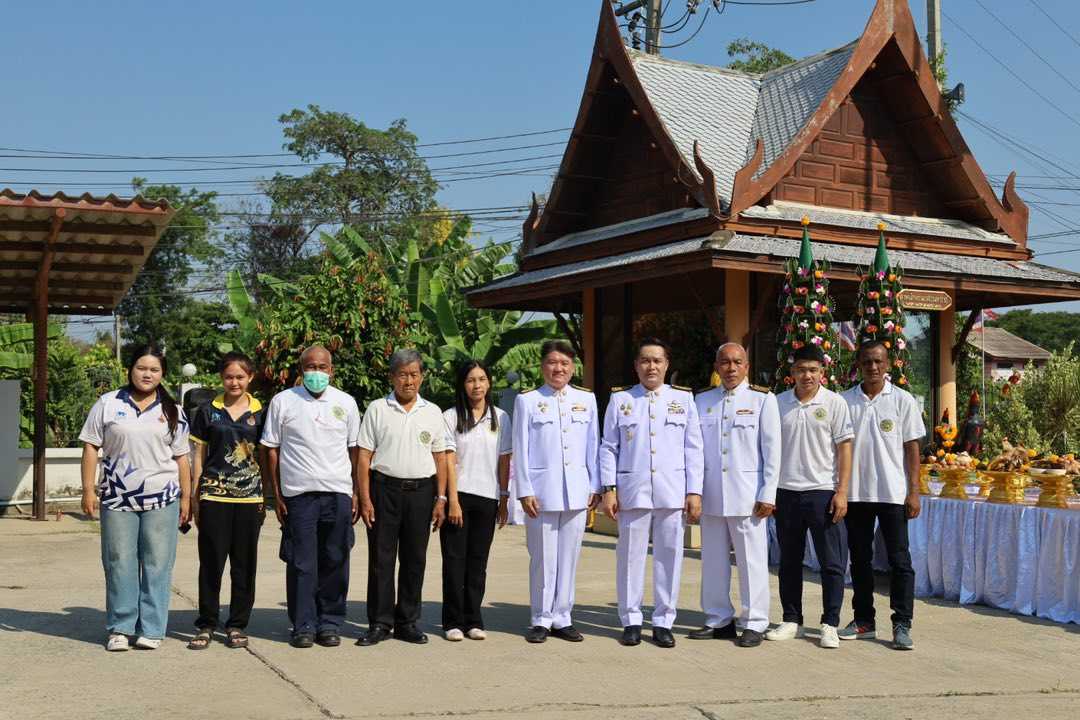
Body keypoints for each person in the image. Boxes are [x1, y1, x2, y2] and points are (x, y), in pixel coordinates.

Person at [79, 344, 192, 652]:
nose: (147, 374)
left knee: (157, 563)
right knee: (119, 561)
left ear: (163, 374)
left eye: (154, 369)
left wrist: (186, 498)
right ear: (130, 370)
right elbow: (91, 446)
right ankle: (120, 627)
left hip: (162, 498)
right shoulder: (108, 403)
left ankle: (152, 629)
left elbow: (182, 457)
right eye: (142, 368)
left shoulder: (173, 411)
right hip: (117, 497)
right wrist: (88, 489)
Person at [599, 337, 703, 649]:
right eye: (645, 360)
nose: (651, 366)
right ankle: (631, 620)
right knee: (630, 558)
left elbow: (693, 449)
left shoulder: (683, 399)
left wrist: (694, 491)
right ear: (636, 365)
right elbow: (608, 447)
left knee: (669, 558)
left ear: (667, 365)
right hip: (633, 491)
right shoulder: (621, 399)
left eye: (657, 360)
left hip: (672, 491)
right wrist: (609, 489)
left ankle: (663, 621)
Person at [260, 345, 362, 649]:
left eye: (322, 367)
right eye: (310, 367)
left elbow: (355, 450)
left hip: (338, 493)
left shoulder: (346, 402)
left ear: (331, 370)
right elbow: (271, 449)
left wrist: (356, 491)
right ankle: (303, 624)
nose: (316, 372)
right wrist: (276, 494)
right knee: (302, 563)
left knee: (335, 559)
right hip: (299, 495)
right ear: (301, 370)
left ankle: (330, 623)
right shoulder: (283, 401)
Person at [356, 349, 449, 646]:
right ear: (392, 377)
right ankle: (380, 623)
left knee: (414, 559)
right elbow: (364, 456)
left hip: (421, 493)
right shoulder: (377, 409)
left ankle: (407, 622)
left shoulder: (433, 412)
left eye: (414, 374)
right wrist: (365, 498)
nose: (409, 381)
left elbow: (440, 457)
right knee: (381, 560)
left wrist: (441, 498)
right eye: (402, 375)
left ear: (422, 377)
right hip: (384, 491)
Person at [690, 342, 781, 648]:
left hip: (748, 497)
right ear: (717, 366)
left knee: (751, 563)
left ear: (747, 366)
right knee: (713, 562)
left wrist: (768, 493)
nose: (731, 368)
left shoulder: (762, 399)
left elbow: (772, 451)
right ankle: (718, 619)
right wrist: (694, 492)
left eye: (737, 362)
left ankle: (754, 621)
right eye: (725, 362)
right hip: (712, 495)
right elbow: (694, 451)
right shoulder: (702, 400)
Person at [839, 340, 925, 650]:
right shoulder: (844, 401)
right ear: (858, 365)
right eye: (866, 362)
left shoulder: (902, 400)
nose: (873, 367)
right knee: (859, 560)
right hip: (856, 494)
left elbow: (912, 448)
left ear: (888, 364)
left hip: (893, 494)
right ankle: (864, 621)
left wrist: (914, 492)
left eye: (878, 361)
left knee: (900, 561)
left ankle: (902, 624)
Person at [513, 339, 600, 644]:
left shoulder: (586, 399)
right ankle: (541, 618)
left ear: (573, 367)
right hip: (541, 493)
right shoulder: (528, 400)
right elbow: (521, 448)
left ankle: (563, 617)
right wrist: (524, 490)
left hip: (577, 492)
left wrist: (595, 485)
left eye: (564, 363)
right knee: (543, 558)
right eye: (552, 362)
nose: (558, 368)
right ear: (542, 366)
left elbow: (593, 445)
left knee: (569, 558)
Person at [766, 345, 853, 649]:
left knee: (832, 563)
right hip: (786, 492)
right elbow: (767, 449)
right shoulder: (777, 403)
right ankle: (792, 620)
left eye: (813, 370)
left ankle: (830, 623)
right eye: (802, 369)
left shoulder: (835, 403)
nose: (807, 375)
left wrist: (842, 491)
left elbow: (845, 448)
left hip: (823, 492)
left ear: (822, 372)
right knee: (789, 561)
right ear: (792, 372)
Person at [187, 352, 266, 650]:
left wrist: (268, 495)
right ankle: (207, 624)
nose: (234, 382)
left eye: (240, 377)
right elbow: (198, 457)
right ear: (221, 378)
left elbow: (267, 456)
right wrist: (195, 496)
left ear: (250, 377)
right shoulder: (208, 411)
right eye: (229, 377)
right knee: (211, 563)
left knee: (244, 565)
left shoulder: (262, 412)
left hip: (250, 498)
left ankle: (236, 625)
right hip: (214, 496)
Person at [439, 360, 512, 641]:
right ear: (462, 385)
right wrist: (452, 500)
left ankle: (473, 620)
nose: (477, 385)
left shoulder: (501, 418)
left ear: (489, 382)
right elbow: (448, 460)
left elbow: (504, 461)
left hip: (487, 498)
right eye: (471, 380)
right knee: (454, 561)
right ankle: (452, 622)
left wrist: (503, 498)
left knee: (478, 562)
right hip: (459, 497)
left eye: (481, 379)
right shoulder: (450, 416)